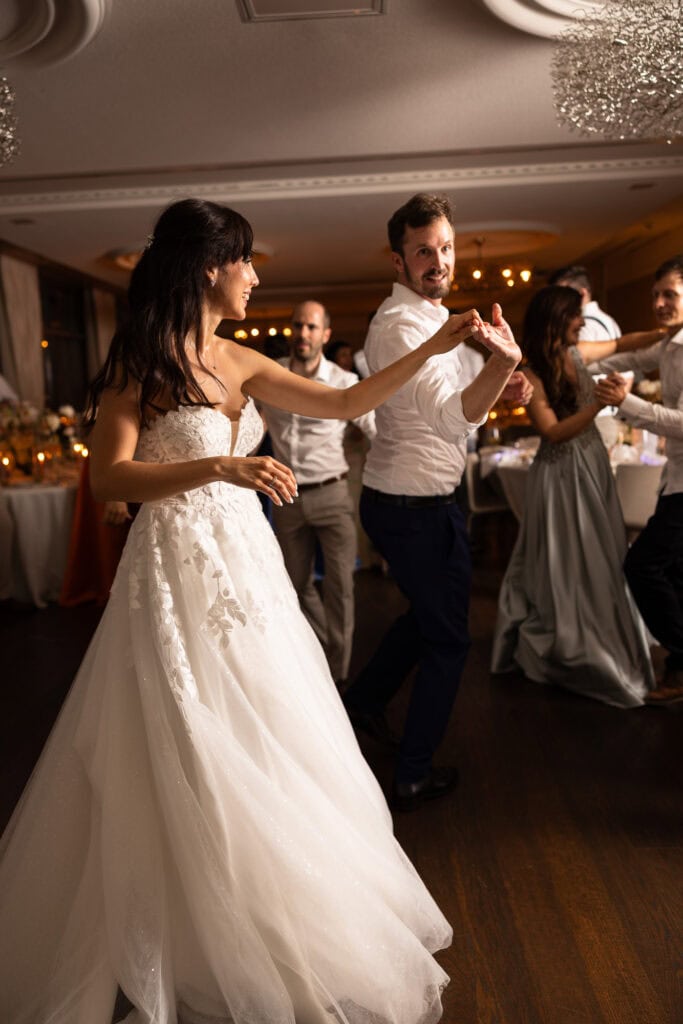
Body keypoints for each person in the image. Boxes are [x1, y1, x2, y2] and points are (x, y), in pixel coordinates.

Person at [0, 197, 514, 1024]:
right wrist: (217, 471)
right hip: (170, 574)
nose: (255, 275)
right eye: (246, 261)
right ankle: (181, 922)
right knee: (180, 732)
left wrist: (434, 344)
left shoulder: (238, 360)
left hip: (246, 571)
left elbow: (347, 408)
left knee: (269, 727)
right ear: (209, 267)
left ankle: (264, 909)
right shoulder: (143, 361)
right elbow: (111, 482)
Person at [342, 193, 528, 812]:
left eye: (445, 247)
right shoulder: (400, 328)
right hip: (408, 508)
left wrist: (503, 379)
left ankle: (363, 702)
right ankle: (412, 773)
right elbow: (453, 423)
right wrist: (503, 368)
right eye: (423, 251)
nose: (438, 260)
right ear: (398, 260)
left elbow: (467, 394)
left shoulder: (435, 319)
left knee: (425, 621)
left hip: (425, 502)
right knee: (450, 641)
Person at [492, 285, 658, 707]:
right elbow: (551, 431)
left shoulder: (579, 353)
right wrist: (597, 407)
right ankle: (569, 640)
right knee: (565, 555)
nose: (582, 322)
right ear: (557, 317)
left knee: (601, 552)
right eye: (575, 315)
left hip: (592, 465)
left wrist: (667, 334)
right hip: (560, 471)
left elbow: (625, 342)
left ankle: (605, 627)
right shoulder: (530, 374)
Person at [262, 301, 375, 687]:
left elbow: (374, 427)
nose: (303, 334)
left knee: (341, 589)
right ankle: (324, 650)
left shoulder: (343, 382)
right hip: (286, 498)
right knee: (295, 585)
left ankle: (339, 678)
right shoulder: (270, 375)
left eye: (311, 327)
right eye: (298, 326)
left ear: (325, 334)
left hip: (332, 495)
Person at [593, 255, 683, 704]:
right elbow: (627, 356)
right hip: (676, 480)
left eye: (670, 294)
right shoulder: (668, 346)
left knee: (642, 566)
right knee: (675, 574)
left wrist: (626, 403)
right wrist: (569, 362)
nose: (660, 303)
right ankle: (679, 672)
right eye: (656, 295)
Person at [549, 263, 621, 342]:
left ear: (582, 294)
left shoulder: (581, 329)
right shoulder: (609, 320)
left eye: (563, 295)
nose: (557, 301)